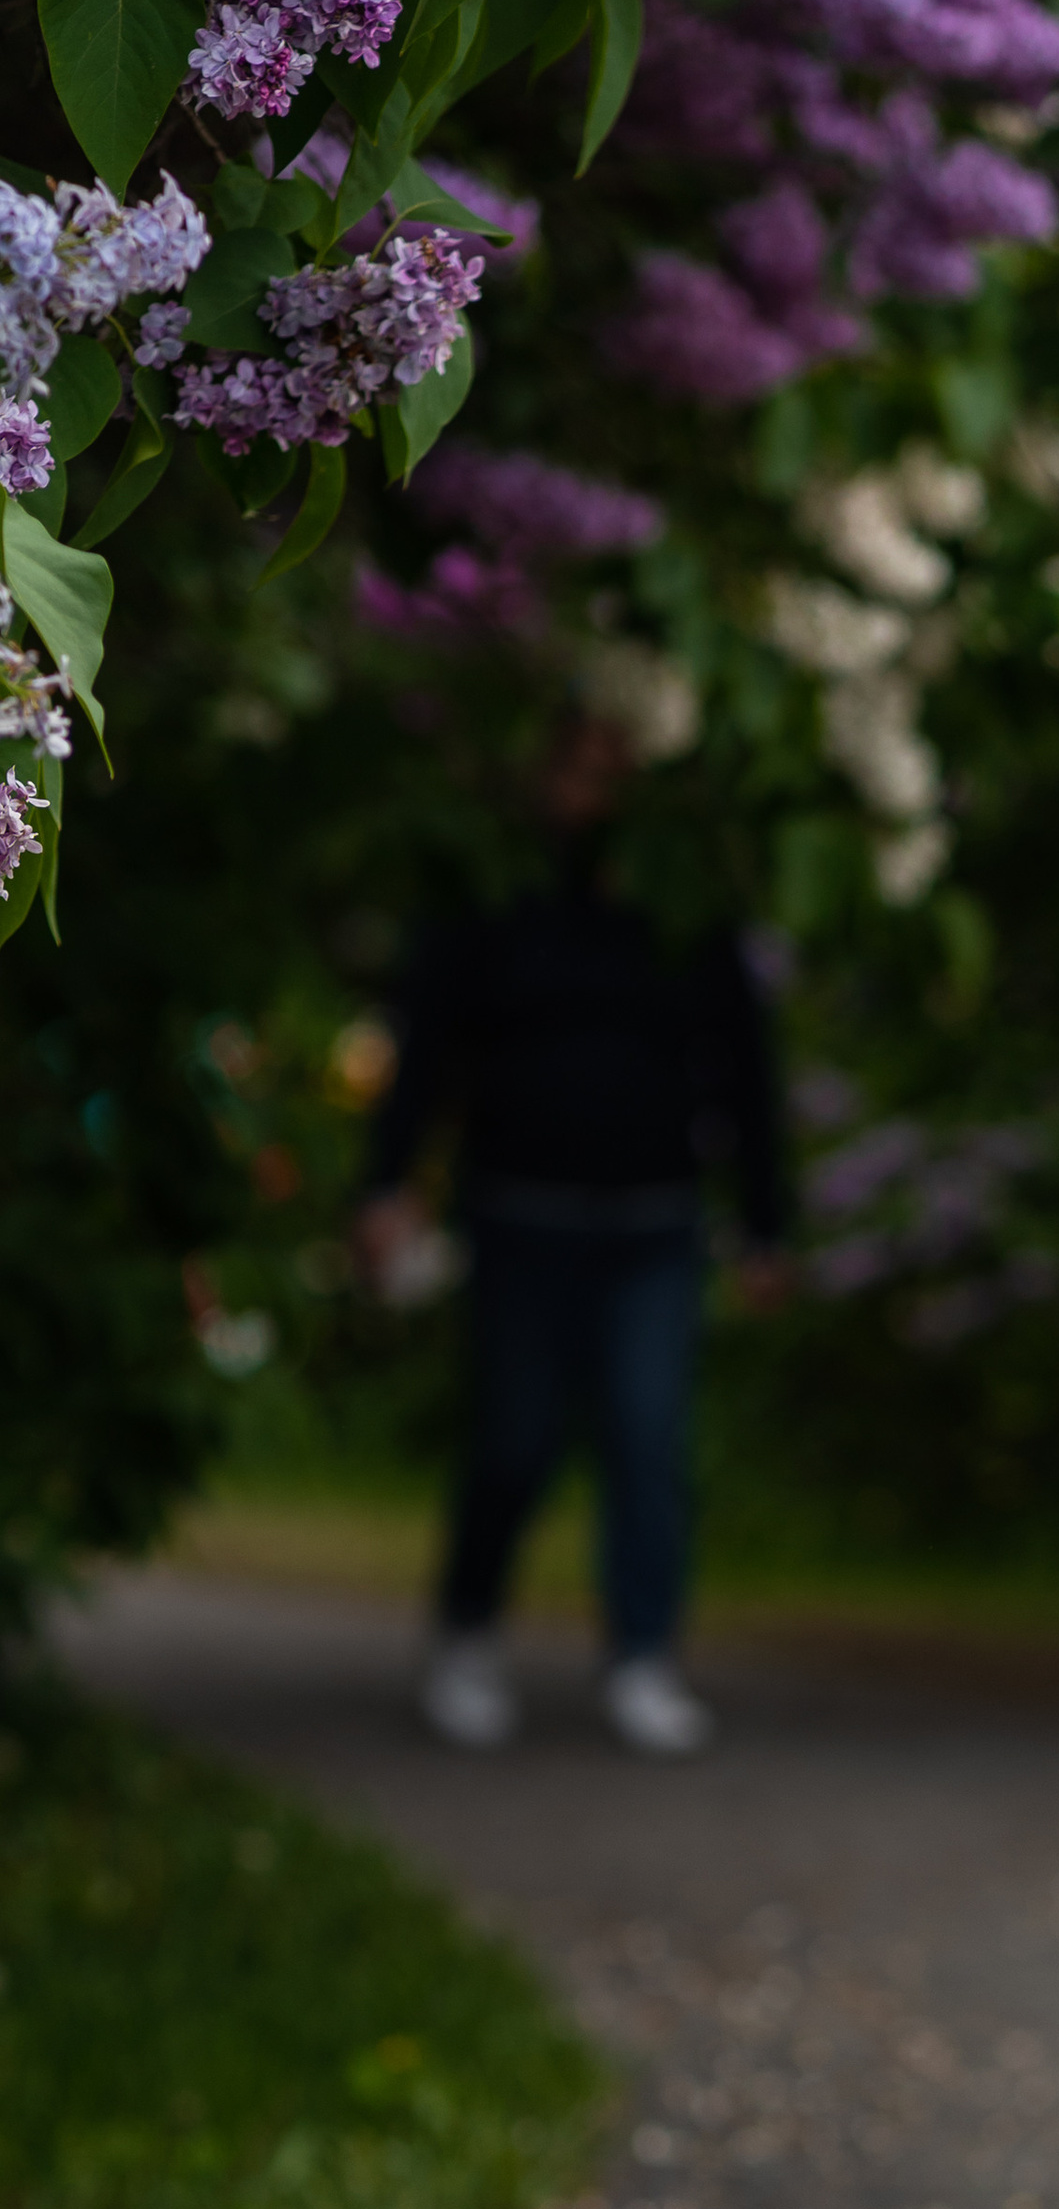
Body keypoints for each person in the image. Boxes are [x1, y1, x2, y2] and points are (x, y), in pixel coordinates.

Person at [353, 712, 790, 1757]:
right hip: (519, 1215)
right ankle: (468, 1632)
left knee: (647, 1439)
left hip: (656, 1220)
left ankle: (643, 1655)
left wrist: (767, 1219)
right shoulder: (493, 893)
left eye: (615, 767)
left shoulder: (685, 901)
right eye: (578, 765)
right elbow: (424, 1048)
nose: (594, 790)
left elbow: (746, 1064)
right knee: (515, 1439)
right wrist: (386, 1184)